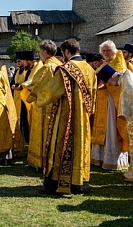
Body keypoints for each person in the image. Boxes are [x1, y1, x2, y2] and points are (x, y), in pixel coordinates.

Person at [36, 39, 97, 194]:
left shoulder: (65, 70)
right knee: (81, 147)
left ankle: (59, 183)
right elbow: (93, 95)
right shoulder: (90, 69)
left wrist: (36, 97)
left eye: (62, 53)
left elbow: (51, 93)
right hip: (83, 117)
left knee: (61, 146)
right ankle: (80, 182)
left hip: (67, 117)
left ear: (67, 52)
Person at [91, 39, 129, 171]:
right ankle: (99, 158)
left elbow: (117, 81)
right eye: (103, 51)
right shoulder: (106, 62)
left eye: (108, 51)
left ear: (114, 51)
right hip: (102, 101)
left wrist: (104, 84)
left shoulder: (119, 61)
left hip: (112, 102)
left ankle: (112, 160)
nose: (106, 53)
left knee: (111, 129)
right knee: (102, 129)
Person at [24, 40, 61, 170]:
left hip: (44, 105)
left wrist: (25, 87)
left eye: (40, 51)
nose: (39, 54)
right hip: (56, 103)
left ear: (45, 52)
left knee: (43, 132)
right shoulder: (58, 63)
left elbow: (37, 84)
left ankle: (42, 162)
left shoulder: (47, 67)